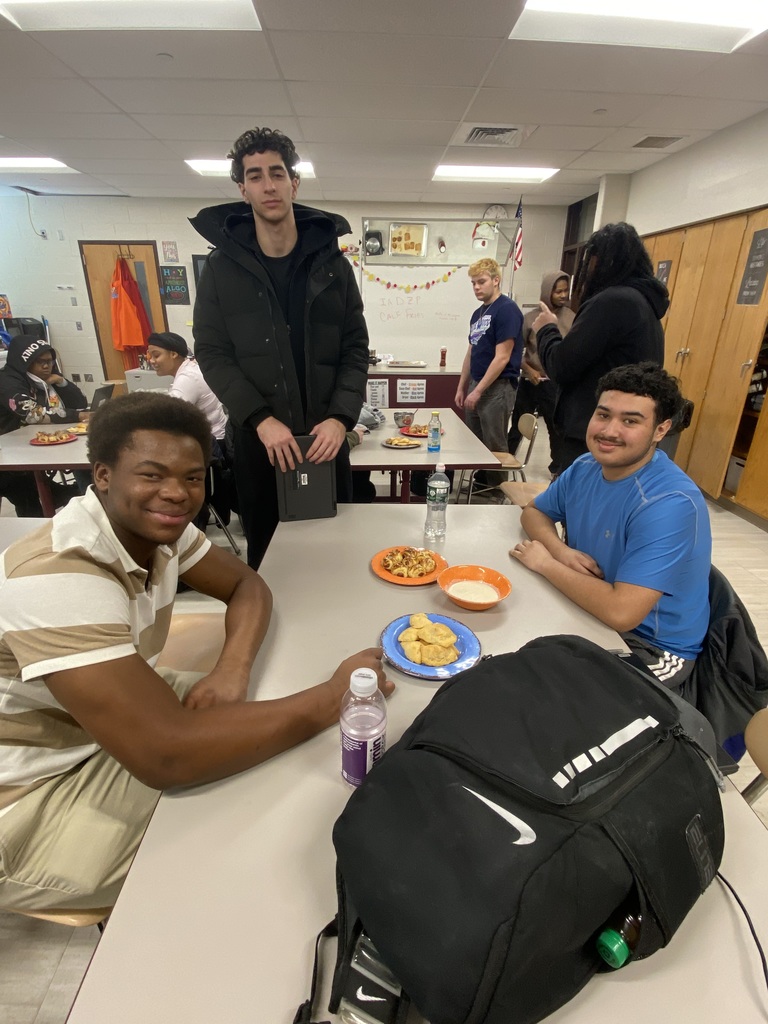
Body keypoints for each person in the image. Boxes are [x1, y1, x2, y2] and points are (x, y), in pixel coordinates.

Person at [0, 391, 391, 912]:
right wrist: (337, 695)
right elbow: (168, 755)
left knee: (275, 747)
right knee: (235, 836)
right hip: (33, 791)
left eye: (192, 477)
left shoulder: (158, 530)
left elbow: (248, 586)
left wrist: (232, 669)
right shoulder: (59, 576)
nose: (176, 494)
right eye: (152, 475)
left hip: (98, 729)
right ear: (103, 476)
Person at [191, 126, 369, 569]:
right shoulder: (220, 269)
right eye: (255, 176)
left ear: (294, 183)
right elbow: (212, 352)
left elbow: (354, 347)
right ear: (242, 189)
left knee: (334, 555)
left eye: (277, 173)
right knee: (268, 561)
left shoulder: (333, 266)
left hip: (326, 441)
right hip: (260, 445)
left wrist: (341, 418)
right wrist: (260, 419)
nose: (268, 185)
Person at [510, 363, 711, 686]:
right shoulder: (586, 466)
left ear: (661, 430)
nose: (609, 431)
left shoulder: (668, 502)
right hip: (589, 612)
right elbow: (534, 513)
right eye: (603, 415)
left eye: (630, 421)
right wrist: (560, 552)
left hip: (648, 647)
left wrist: (546, 564)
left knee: (535, 689)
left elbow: (622, 613)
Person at [531, 222, 668, 472]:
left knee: (580, 494)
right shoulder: (645, 304)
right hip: (625, 432)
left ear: (602, 262)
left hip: (597, 433)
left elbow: (561, 366)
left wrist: (546, 328)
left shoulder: (612, 302)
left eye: (590, 262)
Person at [146, 331, 235, 525]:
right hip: (215, 442)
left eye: (156, 355)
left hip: (210, 450)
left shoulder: (187, 378)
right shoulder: (192, 368)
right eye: (150, 355)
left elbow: (168, 418)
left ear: (173, 354)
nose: (151, 361)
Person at [0, 335, 90, 515]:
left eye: (50, 361)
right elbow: (33, 414)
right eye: (40, 362)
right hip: (8, 455)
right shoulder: (7, 381)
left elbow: (79, 402)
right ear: (25, 361)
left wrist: (61, 383)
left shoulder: (42, 378)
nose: (46, 366)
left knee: (83, 462)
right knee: (28, 497)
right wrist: (77, 415)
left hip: (27, 447)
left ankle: (78, 496)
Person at [455, 258, 523, 489]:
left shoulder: (507, 310)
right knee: (476, 442)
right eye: (473, 283)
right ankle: (483, 482)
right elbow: (471, 352)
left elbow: (502, 357)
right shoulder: (478, 314)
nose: (476, 287)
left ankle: (497, 490)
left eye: (481, 281)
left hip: (498, 387)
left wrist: (478, 391)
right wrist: (462, 386)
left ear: (496, 280)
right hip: (477, 383)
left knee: (494, 443)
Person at [508, 271, 573, 475]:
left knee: (556, 428)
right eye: (558, 291)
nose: (563, 295)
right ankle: (504, 464)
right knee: (517, 426)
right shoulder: (530, 318)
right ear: (547, 292)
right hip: (530, 382)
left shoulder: (572, 318)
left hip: (555, 384)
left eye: (565, 291)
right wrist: (529, 370)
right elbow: (514, 352)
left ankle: (557, 470)